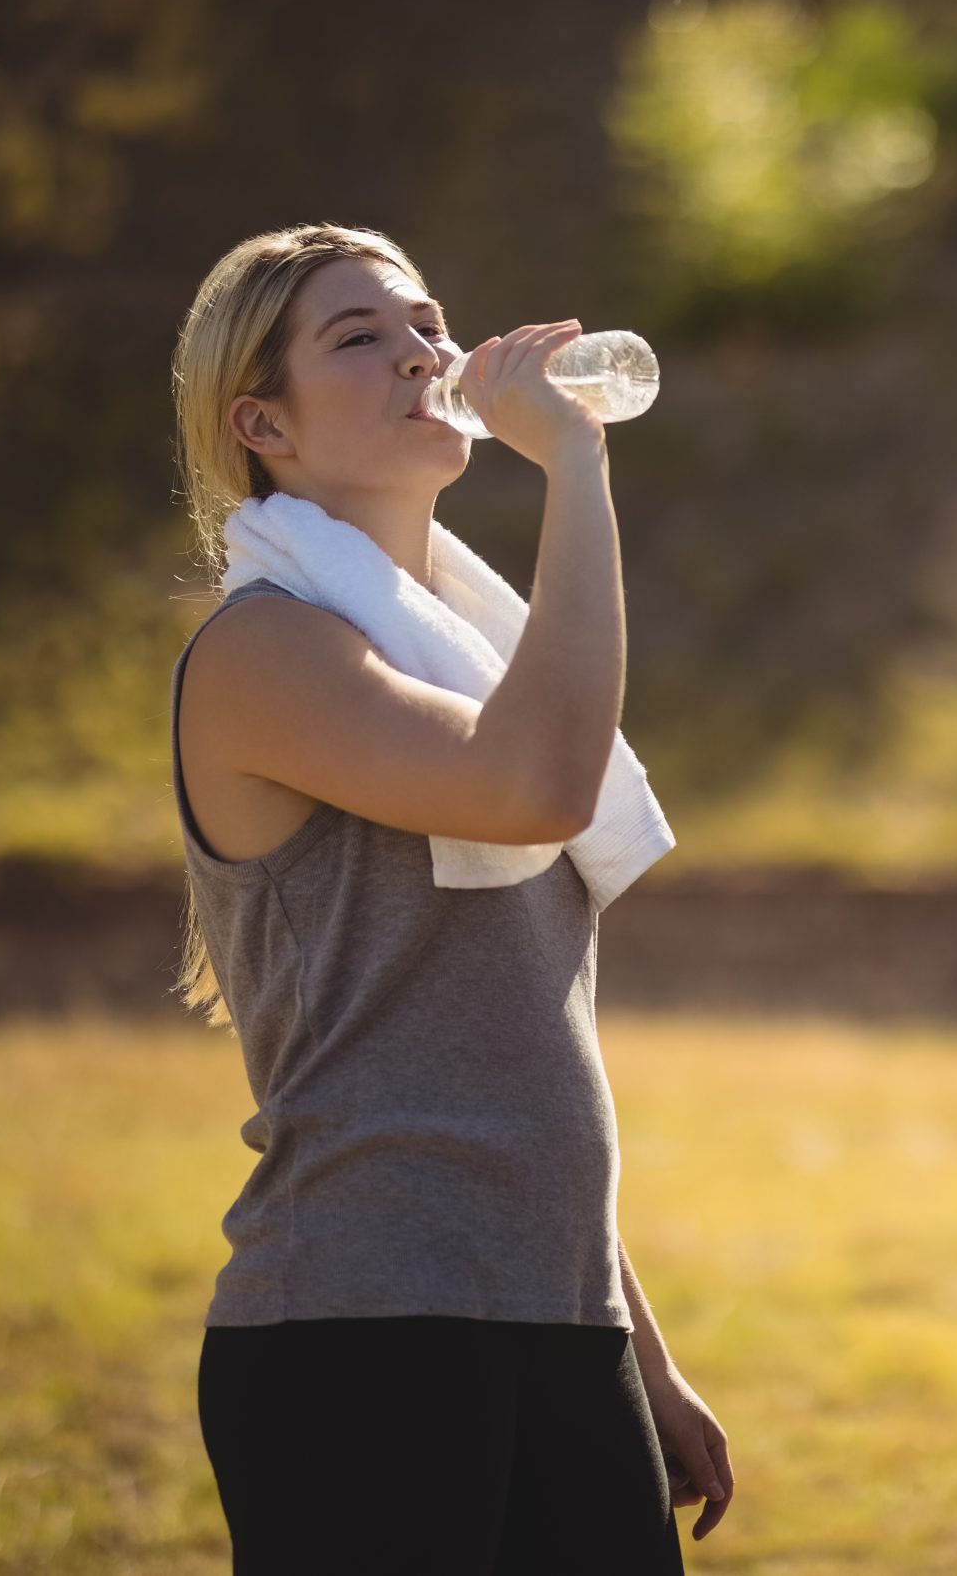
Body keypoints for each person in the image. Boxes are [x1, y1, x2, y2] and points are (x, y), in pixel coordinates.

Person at [166, 223, 732, 1572]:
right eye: (361, 337)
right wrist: (578, 467)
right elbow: (538, 783)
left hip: (555, 1318)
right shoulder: (265, 651)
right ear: (265, 422)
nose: (427, 352)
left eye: (428, 322)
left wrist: (630, 1343)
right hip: (363, 1331)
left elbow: (522, 1058)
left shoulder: (467, 654)